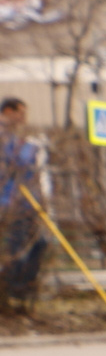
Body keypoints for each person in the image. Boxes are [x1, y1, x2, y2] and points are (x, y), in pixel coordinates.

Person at [1, 97, 43, 303]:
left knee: (40, 242)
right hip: (10, 203)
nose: (24, 117)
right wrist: (28, 151)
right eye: (21, 112)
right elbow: (14, 163)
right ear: (8, 111)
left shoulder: (16, 137)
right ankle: (13, 287)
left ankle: (21, 286)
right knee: (16, 247)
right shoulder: (3, 136)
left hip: (27, 202)